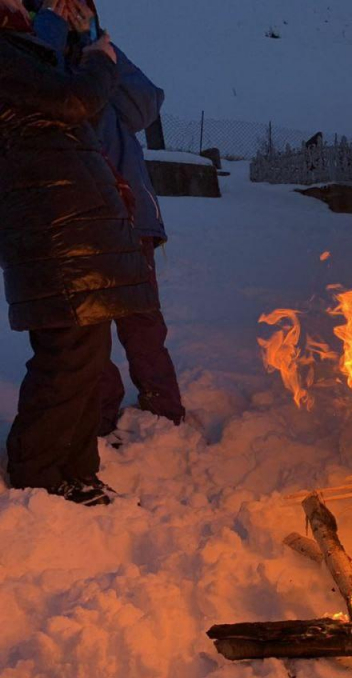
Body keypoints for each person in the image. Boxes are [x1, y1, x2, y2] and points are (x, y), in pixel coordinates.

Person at [0, 0, 157, 505]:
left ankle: (76, 465)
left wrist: (82, 34)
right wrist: (100, 61)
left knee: (87, 355)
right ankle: (37, 470)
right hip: (50, 225)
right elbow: (72, 101)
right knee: (64, 356)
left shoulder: (24, 47)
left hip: (71, 222)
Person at [31, 0, 184, 435]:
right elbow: (42, 95)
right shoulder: (36, 63)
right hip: (73, 222)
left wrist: (98, 44)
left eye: (79, 5)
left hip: (131, 219)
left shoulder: (99, 70)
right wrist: (53, 32)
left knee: (143, 322)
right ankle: (101, 414)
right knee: (89, 327)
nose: (70, 10)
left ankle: (164, 412)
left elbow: (144, 104)